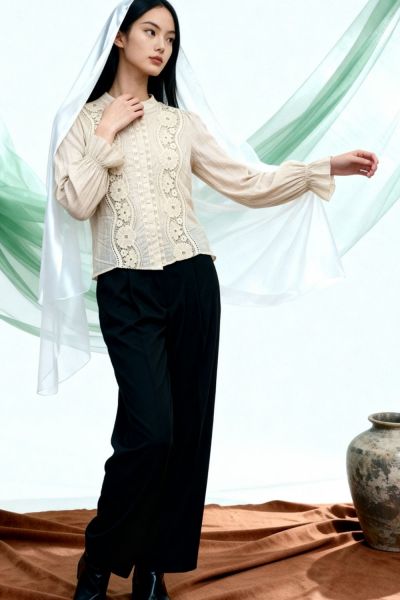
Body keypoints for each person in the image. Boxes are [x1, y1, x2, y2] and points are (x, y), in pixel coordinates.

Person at [49, 1, 378, 598]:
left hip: (193, 283)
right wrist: (105, 132)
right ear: (120, 38)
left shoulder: (182, 124)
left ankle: (154, 567)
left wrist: (322, 167)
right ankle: (98, 561)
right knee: (148, 433)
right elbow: (76, 202)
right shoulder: (82, 121)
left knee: (186, 434)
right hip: (125, 287)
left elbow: (246, 182)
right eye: (150, 31)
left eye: (170, 38)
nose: (161, 45)